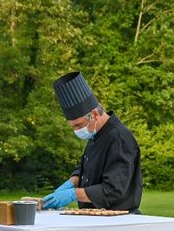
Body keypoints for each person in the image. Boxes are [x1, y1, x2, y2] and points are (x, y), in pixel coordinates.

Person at [42, 71, 143, 213]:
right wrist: (72, 182)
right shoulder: (95, 134)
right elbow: (86, 168)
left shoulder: (120, 138)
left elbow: (113, 190)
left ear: (94, 114)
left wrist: (73, 194)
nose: (76, 130)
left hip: (118, 220)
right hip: (94, 218)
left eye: (78, 125)